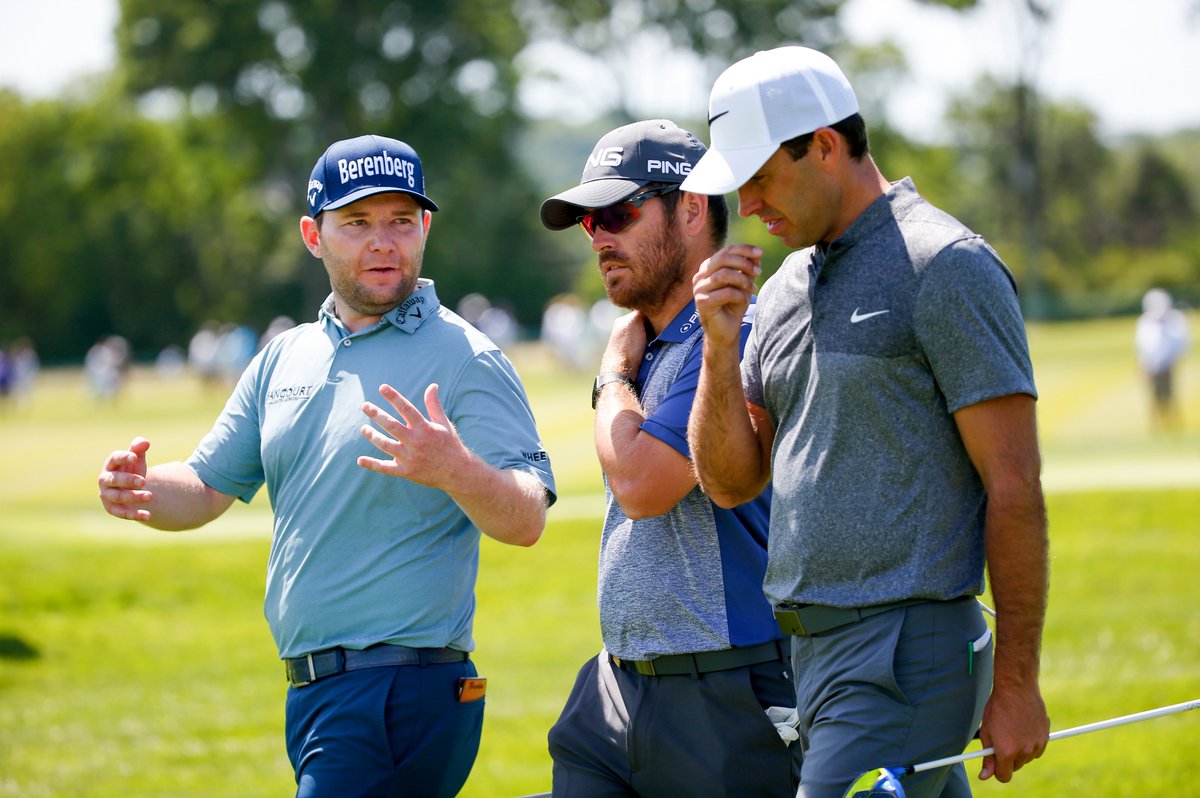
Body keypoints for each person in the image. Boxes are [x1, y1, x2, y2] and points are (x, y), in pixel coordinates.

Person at [97, 134, 556, 798]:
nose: (383, 241)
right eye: (357, 223)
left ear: (425, 227)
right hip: (316, 692)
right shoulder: (285, 356)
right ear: (314, 235)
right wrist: (143, 488)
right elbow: (204, 486)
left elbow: (526, 519)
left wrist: (453, 468)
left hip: (403, 688)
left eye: (401, 221)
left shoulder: (466, 356)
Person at [682, 47, 1050, 797]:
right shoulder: (784, 286)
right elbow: (728, 481)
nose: (747, 205)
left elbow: (1014, 486)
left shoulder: (946, 265)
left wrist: (1016, 683)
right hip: (815, 660)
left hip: (902, 654)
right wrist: (719, 352)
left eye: (758, 177)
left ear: (823, 144)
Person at [539, 119, 801, 797]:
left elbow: (640, 483)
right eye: (589, 222)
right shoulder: (650, 343)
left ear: (690, 208)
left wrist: (610, 376)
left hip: (724, 690)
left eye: (617, 214)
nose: (598, 236)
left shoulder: (733, 338)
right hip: (615, 686)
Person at [1135, 287, 1190, 431]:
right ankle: (1157, 425)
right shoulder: (1145, 322)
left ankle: (1174, 423)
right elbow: (1142, 346)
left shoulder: (1175, 319)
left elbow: (1181, 342)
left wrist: (1173, 360)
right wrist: (1144, 365)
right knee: (1154, 395)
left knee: (1170, 394)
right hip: (1151, 365)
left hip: (1169, 364)